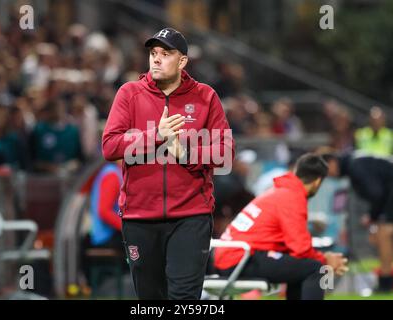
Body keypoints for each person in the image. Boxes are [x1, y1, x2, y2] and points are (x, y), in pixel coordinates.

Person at [102, 27, 234, 300]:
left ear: (182, 61)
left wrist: (185, 153)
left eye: (165, 53)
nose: (156, 59)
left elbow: (225, 152)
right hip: (139, 217)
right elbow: (110, 146)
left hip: (191, 217)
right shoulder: (129, 93)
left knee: (184, 299)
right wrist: (156, 136)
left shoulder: (206, 96)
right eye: (153, 53)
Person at [213, 154, 348, 300]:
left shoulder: (277, 192)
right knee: (316, 268)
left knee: (302, 267)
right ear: (317, 182)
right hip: (239, 260)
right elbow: (301, 249)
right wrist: (325, 260)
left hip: (230, 256)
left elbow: (294, 249)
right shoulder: (292, 198)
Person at [322, 152, 393, 292]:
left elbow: (376, 193)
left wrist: (373, 216)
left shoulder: (356, 166)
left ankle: (386, 282)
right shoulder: (357, 162)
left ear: (332, 162)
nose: (329, 176)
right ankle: (387, 281)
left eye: (326, 171)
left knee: (384, 235)